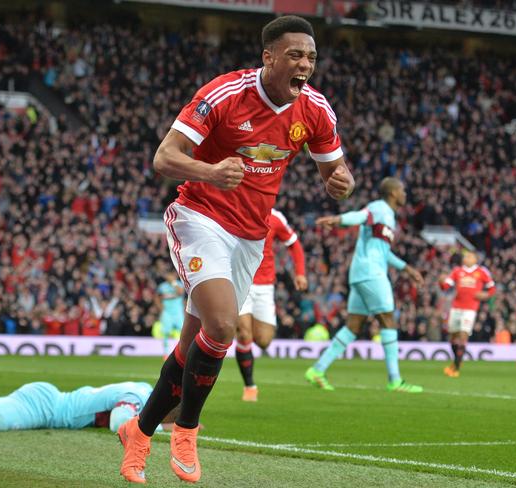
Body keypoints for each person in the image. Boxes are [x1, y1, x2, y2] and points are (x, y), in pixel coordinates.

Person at [118, 15, 355, 484]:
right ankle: (186, 430)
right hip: (199, 218)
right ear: (269, 57)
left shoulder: (315, 108)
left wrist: (341, 183)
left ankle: (139, 430)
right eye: (295, 55)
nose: (305, 64)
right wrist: (208, 172)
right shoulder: (225, 94)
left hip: (251, 236)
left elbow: (335, 171)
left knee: (192, 347)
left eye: (310, 57)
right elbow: (164, 157)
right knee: (223, 325)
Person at [305, 177, 424, 393]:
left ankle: (317, 370)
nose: (405, 194)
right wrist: (339, 219)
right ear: (393, 193)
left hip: (361, 273)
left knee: (353, 326)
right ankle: (395, 380)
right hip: (372, 274)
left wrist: (407, 269)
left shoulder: (390, 218)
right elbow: (360, 216)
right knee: (388, 320)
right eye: (402, 190)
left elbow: (384, 252)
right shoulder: (379, 208)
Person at [0, 381, 175, 433]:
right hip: (45, 409)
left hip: (47, 397)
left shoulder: (141, 388)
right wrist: (163, 428)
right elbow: (117, 422)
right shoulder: (138, 397)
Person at [236, 208, 307, 402]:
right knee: (244, 333)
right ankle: (250, 386)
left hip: (265, 286)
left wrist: (299, 272)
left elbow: (294, 244)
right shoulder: (237, 207)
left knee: (264, 340)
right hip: (240, 281)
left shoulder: (275, 217)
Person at [439, 250, 495, 377]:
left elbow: (492, 287)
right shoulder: (457, 271)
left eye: (470, 256)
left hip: (470, 309)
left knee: (463, 335)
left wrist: (486, 295)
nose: (467, 258)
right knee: (453, 337)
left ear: (476, 259)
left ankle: (456, 369)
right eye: (466, 256)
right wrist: (441, 281)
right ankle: (456, 361)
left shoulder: (481, 272)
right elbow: (446, 287)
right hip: (456, 308)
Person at [156, 271, 185, 357]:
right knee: (165, 332)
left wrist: (173, 282)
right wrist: (160, 308)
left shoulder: (179, 284)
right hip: (167, 312)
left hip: (177, 312)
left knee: (183, 331)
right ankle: (165, 353)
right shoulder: (162, 286)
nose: (170, 276)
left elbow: (180, 293)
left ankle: (183, 351)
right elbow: (157, 297)